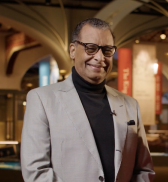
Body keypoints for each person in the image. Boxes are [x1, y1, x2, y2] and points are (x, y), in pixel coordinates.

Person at [21, 18, 155, 182]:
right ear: (72, 50)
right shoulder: (41, 99)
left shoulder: (130, 105)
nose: (100, 57)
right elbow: (36, 172)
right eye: (91, 48)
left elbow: (143, 170)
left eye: (107, 50)